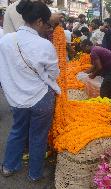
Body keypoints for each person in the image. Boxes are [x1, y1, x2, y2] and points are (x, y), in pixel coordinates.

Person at [0, 0, 60, 181]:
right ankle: (34, 175)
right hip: (41, 98)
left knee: (17, 131)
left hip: (16, 98)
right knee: (38, 137)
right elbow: (54, 73)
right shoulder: (44, 45)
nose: (49, 28)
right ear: (40, 21)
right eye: (48, 24)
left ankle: (9, 167)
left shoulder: (6, 40)